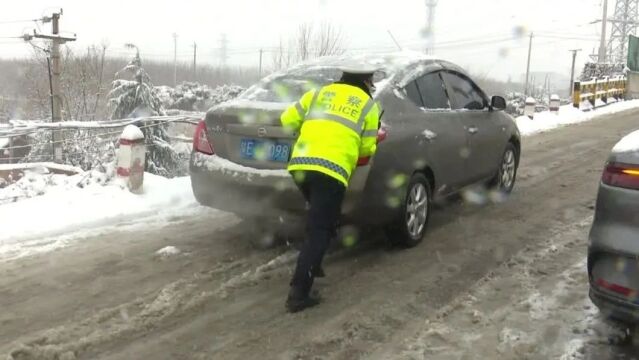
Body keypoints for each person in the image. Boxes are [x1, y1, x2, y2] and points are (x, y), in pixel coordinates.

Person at [280, 65, 382, 313]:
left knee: (321, 216)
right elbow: (367, 150)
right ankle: (299, 293)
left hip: (300, 166)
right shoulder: (368, 106)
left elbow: (286, 120)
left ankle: (314, 261)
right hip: (331, 171)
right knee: (320, 229)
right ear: (367, 81)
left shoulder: (318, 94)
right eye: (372, 81)